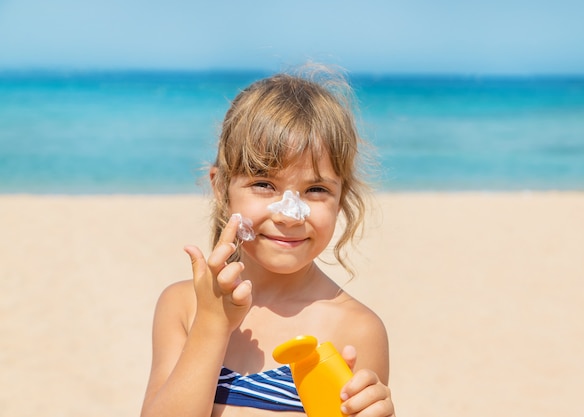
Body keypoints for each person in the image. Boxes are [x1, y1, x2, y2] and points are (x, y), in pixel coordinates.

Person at [140, 65, 395, 417]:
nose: (289, 214)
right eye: (264, 184)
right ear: (220, 187)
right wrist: (212, 324)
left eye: (316, 190)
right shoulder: (184, 305)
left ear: (341, 199)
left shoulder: (355, 328)